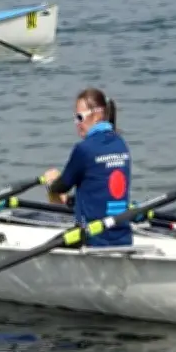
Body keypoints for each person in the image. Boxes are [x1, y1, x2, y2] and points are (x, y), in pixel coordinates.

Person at [42, 88, 132, 247]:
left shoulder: (84, 149)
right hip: (123, 238)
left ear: (97, 115)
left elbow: (62, 186)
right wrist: (69, 200)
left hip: (92, 239)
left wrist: (50, 183)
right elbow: (99, 192)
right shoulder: (121, 144)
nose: (77, 124)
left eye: (79, 117)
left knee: (45, 249)